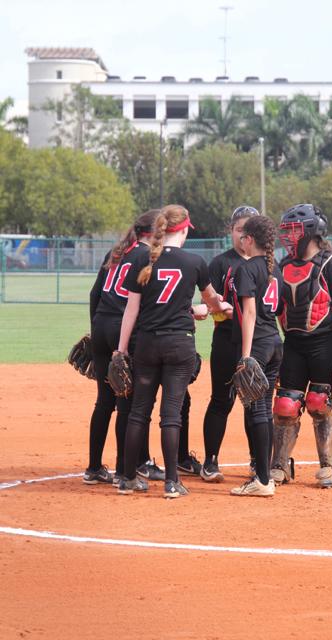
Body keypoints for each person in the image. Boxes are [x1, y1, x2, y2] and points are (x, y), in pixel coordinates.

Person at [116, 204, 231, 498]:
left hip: (147, 344)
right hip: (179, 343)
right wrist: (218, 308)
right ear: (183, 230)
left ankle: (128, 478)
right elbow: (212, 300)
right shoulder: (193, 261)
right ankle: (170, 482)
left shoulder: (144, 259)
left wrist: (120, 350)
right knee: (171, 414)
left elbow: (132, 310)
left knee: (139, 412)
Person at [271, 203, 332, 489]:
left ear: (312, 231)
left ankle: (329, 465)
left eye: (295, 230)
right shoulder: (281, 266)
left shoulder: (331, 264)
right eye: (287, 230)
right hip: (293, 344)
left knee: (319, 402)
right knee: (285, 405)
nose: (289, 236)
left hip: (325, 343)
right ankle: (279, 465)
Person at [83, 210, 159, 485]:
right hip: (122, 330)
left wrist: (95, 332)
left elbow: (94, 294)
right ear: (153, 233)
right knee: (126, 403)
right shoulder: (145, 256)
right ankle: (121, 471)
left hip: (102, 325)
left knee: (104, 402)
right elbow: (144, 302)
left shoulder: (118, 252)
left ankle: (93, 468)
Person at [200, 205, 261, 483]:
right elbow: (207, 304)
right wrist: (220, 310)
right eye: (238, 230)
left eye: (248, 231)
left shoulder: (265, 264)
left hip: (256, 340)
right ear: (231, 231)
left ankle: (256, 459)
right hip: (226, 338)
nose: (243, 236)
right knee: (221, 401)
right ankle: (210, 460)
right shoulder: (221, 264)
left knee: (255, 402)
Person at [229, 215, 284, 497]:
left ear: (249, 240)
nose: (241, 242)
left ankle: (263, 480)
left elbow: (249, 313)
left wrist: (246, 356)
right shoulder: (277, 271)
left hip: (259, 345)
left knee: (258, 411)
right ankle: (265, 476)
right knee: (264, 408)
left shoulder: (246, 268)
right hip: (275, 342)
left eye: (243, 237)